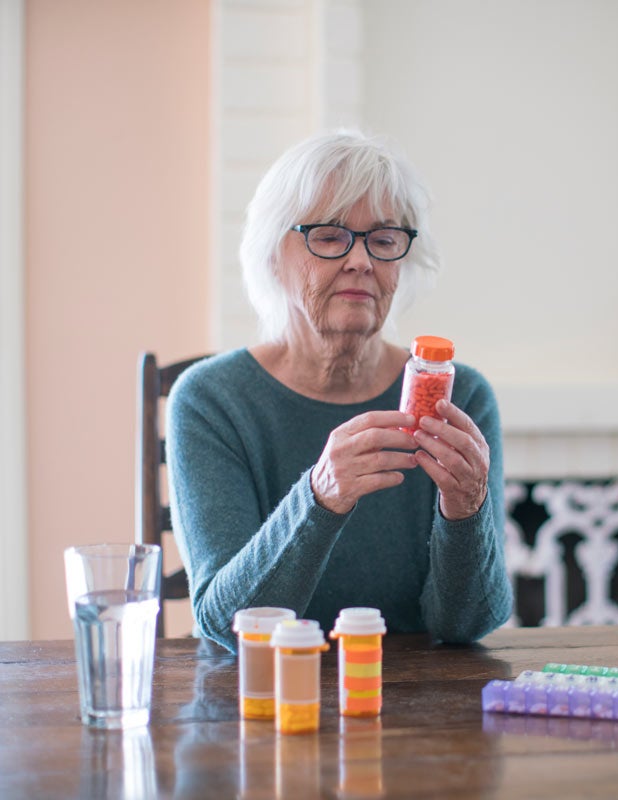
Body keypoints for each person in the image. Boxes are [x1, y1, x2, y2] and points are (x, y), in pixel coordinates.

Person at [166, 129, 513, 653]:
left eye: (384, 239)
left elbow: (465, 626)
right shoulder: (211, 400)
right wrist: (321, 495)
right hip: (263, 702)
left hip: (418, 706)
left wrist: (466, 508)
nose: (361, 261)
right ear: (271, 254)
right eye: (328, 236)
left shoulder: (459, 396)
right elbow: (226, 624)